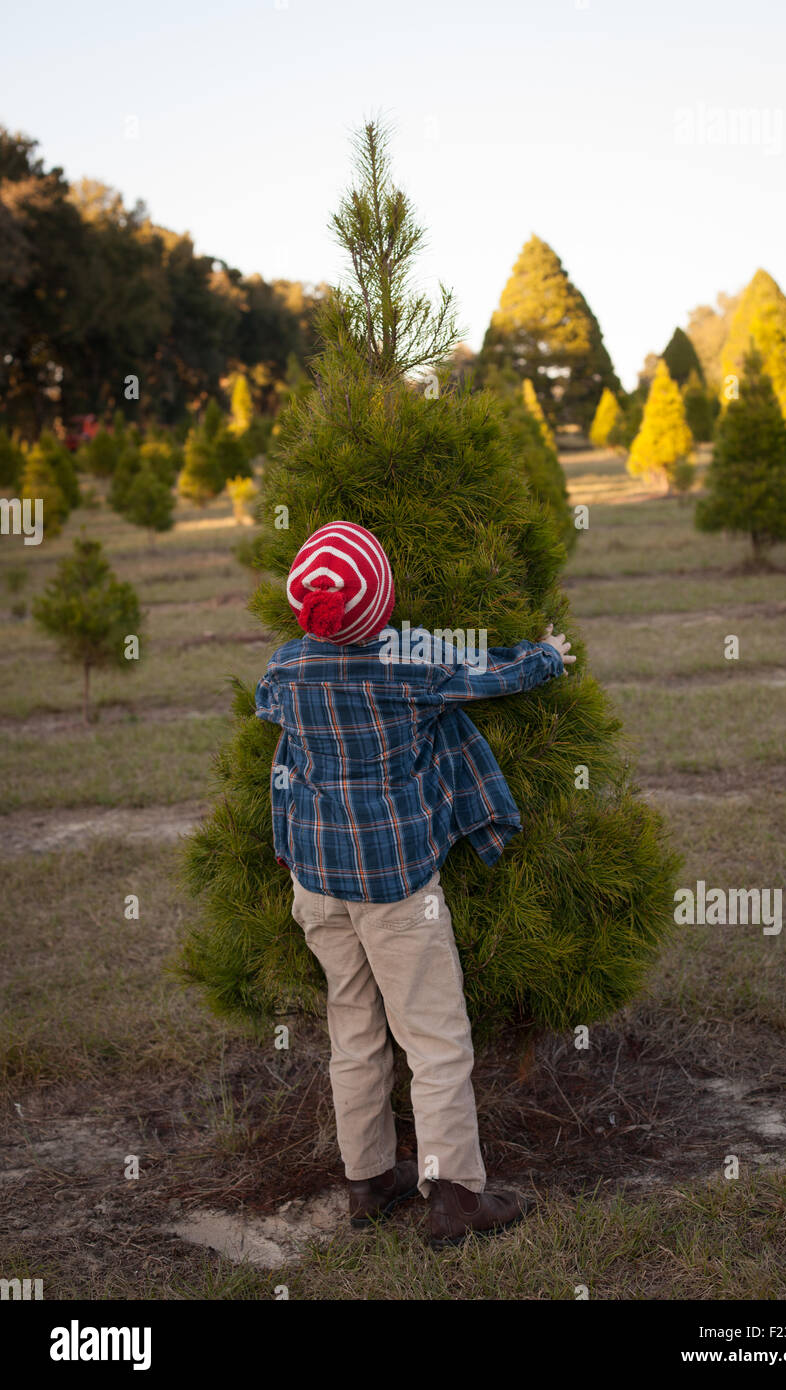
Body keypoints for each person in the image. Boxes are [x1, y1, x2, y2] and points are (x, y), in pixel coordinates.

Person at [255, 520, 576, 1247]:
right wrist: (548, 656)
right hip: (396, 889)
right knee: (435, 1041)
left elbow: (277, 739)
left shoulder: (285, 670)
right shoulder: (406, 665)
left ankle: (367, 1180)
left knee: (355, 1031)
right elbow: (487, 674)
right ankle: (457, 1196)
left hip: (318, 885)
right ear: (384, 600)